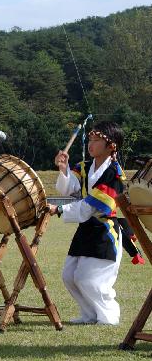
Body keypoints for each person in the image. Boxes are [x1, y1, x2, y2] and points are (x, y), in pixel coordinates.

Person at [49, 122, 125, 325]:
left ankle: (109, 316)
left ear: (111, 146)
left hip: (104, 231)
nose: (91, 144)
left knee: (90, 280)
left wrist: (60, 209)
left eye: (97, 140)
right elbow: (68, 189)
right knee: (69, 275)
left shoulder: (114, 174)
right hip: (86, 229)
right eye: (90, 140)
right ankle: (89, 314)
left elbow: (92, 206)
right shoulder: (83, 167)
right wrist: (63, 169)